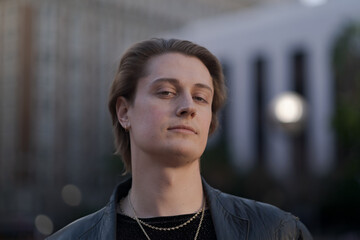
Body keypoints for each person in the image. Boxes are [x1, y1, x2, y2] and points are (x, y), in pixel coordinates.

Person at [47, 38, 312, 239]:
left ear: (210, 121)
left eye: (200, 97)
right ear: (125, 112)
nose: (188, 107)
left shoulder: (276, 231)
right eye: (165, 92)